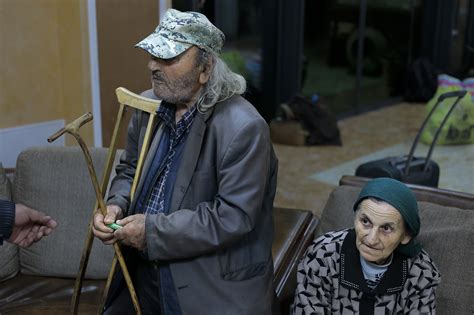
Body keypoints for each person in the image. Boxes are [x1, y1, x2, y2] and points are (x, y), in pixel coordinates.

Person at [92, 9, 278, 315]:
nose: (153, 66)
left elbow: (232, 217)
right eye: (153, 54)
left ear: (206, 68)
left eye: (168, 58)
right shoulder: (147, 104)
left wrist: (151, 232)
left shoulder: (244, 128)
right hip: (143, 270)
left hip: (208, 283)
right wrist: (116, 204)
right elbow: (129, 170)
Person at [292, 178, 441, 314]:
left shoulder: (421, 272)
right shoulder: (321, 255)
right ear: (355, 217)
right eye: (365, 222)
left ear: (405, 235)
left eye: (386, 228)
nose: (371, 239)